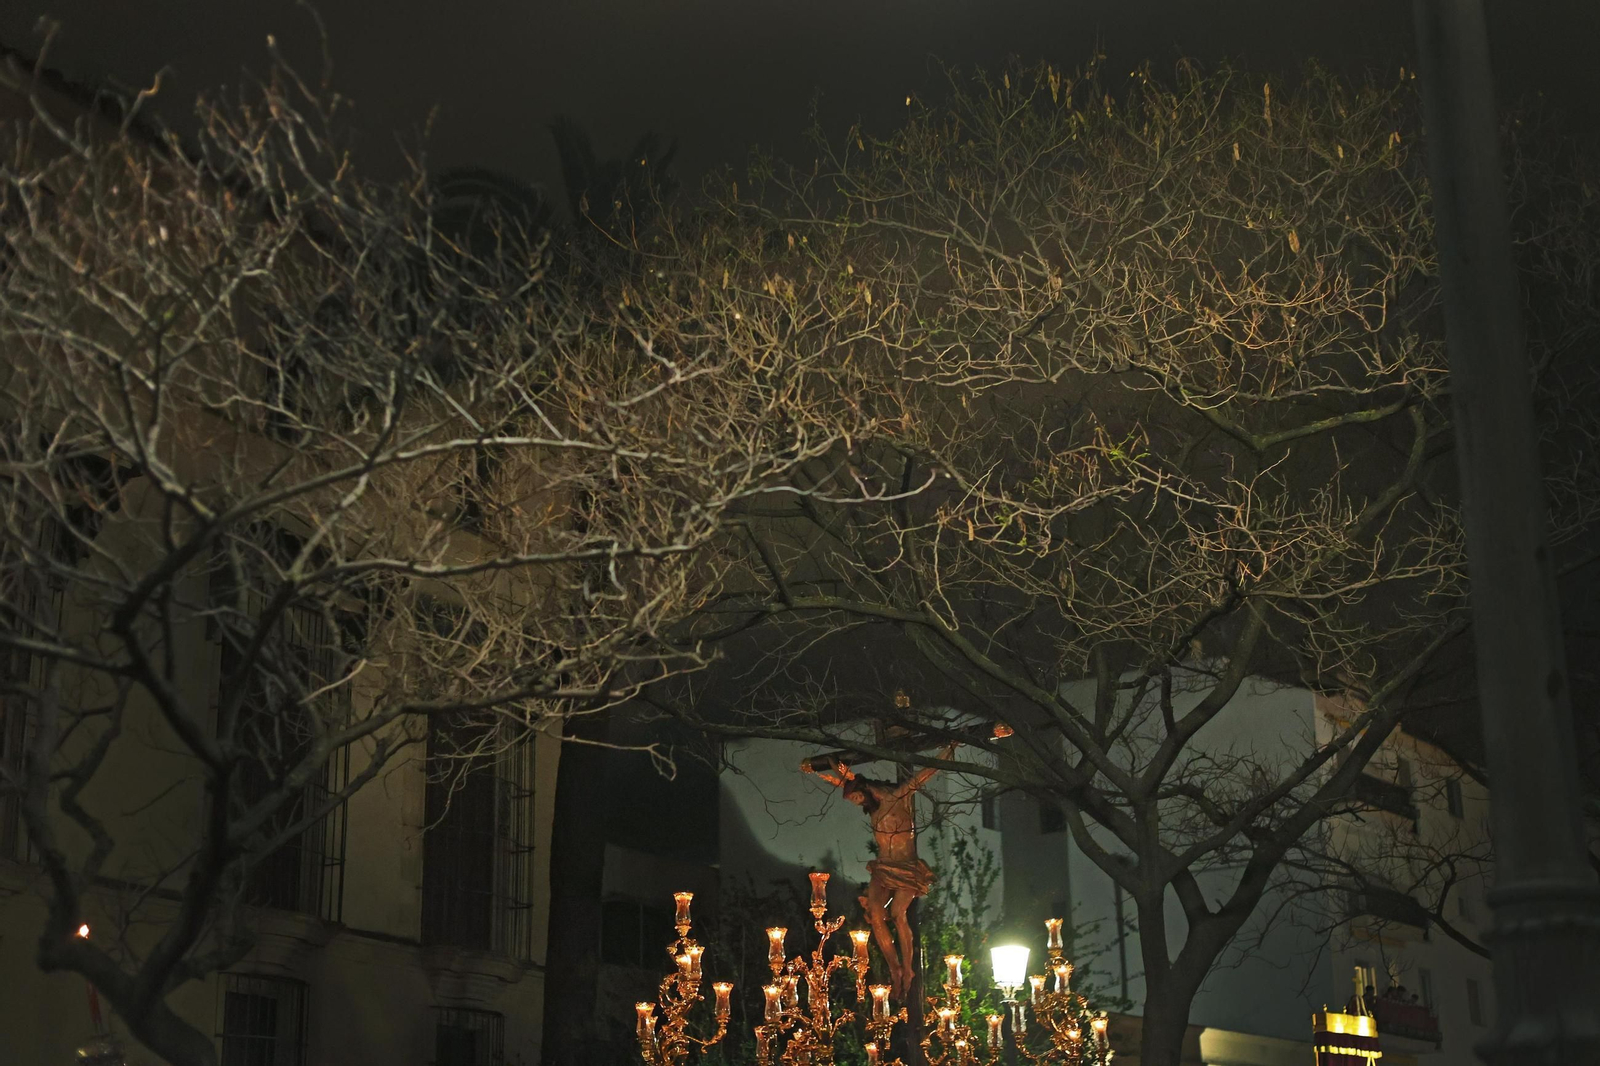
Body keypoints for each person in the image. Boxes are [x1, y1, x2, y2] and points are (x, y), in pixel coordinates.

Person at [803, 744, 957, 1000]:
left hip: (907, 867)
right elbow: (844, 782)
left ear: (864, 792)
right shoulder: (872, 807)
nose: (855, 803)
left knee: (897, 914)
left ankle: (907, 970)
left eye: (855, 798)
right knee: (875, 915)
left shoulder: (898, 796)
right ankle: (894, 968)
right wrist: (821, 768)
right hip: (884, 867)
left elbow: (926, 773)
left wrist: (949, 750)